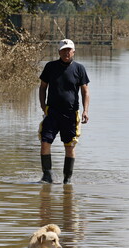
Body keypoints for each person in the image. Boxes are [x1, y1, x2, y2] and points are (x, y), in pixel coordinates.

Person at [38, 39, 90, 184]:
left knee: (69, 146)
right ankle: (47, 176)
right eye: (63, 50)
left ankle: (67, 180)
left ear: (73, 51)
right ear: (59, 52)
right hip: (52, 112)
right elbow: (42, 87)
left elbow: (85, 91)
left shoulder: (79, 69)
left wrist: (85, 111)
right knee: (44, 142)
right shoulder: (50, 67)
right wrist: (43, 106)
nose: (66, 53)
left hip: (71, 114)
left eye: (69, 50)